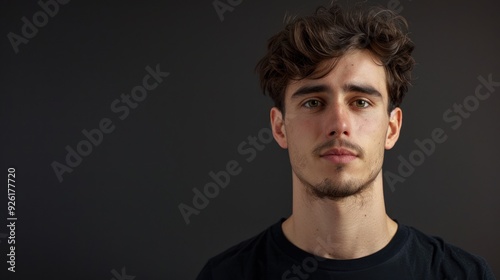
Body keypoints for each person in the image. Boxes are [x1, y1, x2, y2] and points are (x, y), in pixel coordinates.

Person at [196, 3, 496, 279]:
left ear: (392, 128)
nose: (339, 125)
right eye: (313, 102)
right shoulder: (226, 275)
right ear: (279, 128)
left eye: (361, 102)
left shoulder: (462, 275)